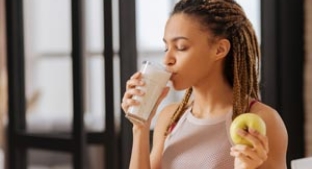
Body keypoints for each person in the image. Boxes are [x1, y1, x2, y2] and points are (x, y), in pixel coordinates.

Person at [121, 0, 288, 168]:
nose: (167, 60)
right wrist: (140, 128)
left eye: (181, 47)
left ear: (219, 49)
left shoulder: (263, 119)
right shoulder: (170, 118)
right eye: (166, 48)